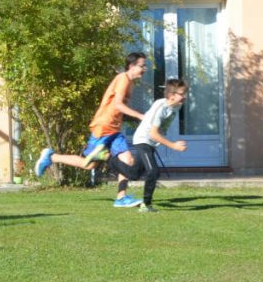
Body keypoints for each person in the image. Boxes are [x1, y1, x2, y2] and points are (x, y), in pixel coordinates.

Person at [34, 52, 148, 207]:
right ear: (132, 66)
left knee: (128, 160)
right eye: (142, 66)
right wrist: (140, 116)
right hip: (103, 127)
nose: (145, 69)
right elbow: (118, 105)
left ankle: (121, 198)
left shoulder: (129, 82)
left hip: (114, 129)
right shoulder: (123, 79)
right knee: (89, 165)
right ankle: (52, 157)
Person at [129, 78, 188, 213]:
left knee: (133, 174)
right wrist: (173, 146)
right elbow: (154, 134)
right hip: (144, 140)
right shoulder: (161, 109)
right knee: (153, 171)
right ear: (171, 96)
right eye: (181, 93)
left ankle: (108, 157)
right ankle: (146, 204)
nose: (184, 96)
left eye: (185, 93)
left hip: (151, 143)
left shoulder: (176, 105)